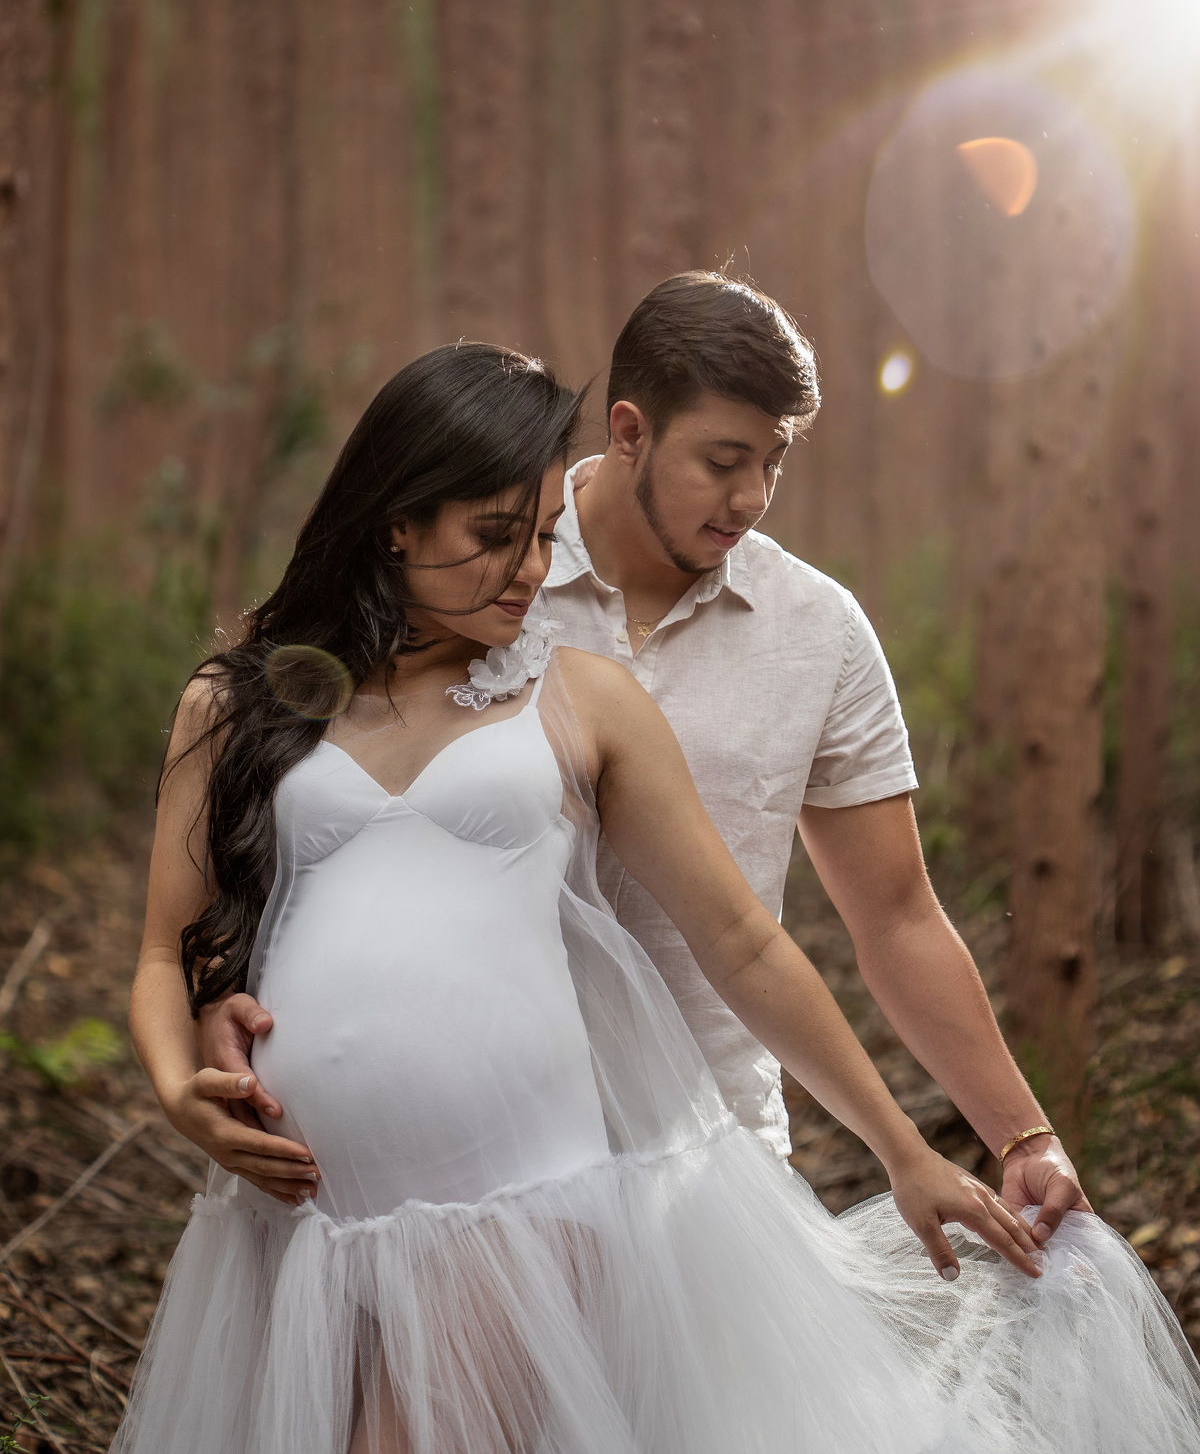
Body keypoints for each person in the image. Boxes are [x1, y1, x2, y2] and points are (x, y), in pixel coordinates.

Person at [115, 343, 1199, 1454]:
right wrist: (176, 1087)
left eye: (542, 535)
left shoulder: (584, 699)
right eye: (493, 537)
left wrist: (903, 1147)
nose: (529, 571)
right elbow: (167, 950)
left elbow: (741, 940)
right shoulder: (234, 700)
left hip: (519, 1207)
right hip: (295, 1231)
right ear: (395, 521)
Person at [206, 274, 1086, 1240]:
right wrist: (219, 1000)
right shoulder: (482, 571)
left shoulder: (819, 633)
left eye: (773, 461)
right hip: (475, 1150)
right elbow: (319, 798)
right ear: (628, 431)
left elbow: (896, 914)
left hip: (707, 1154)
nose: (749, 496)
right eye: (721, 459)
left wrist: (1020, 1135)